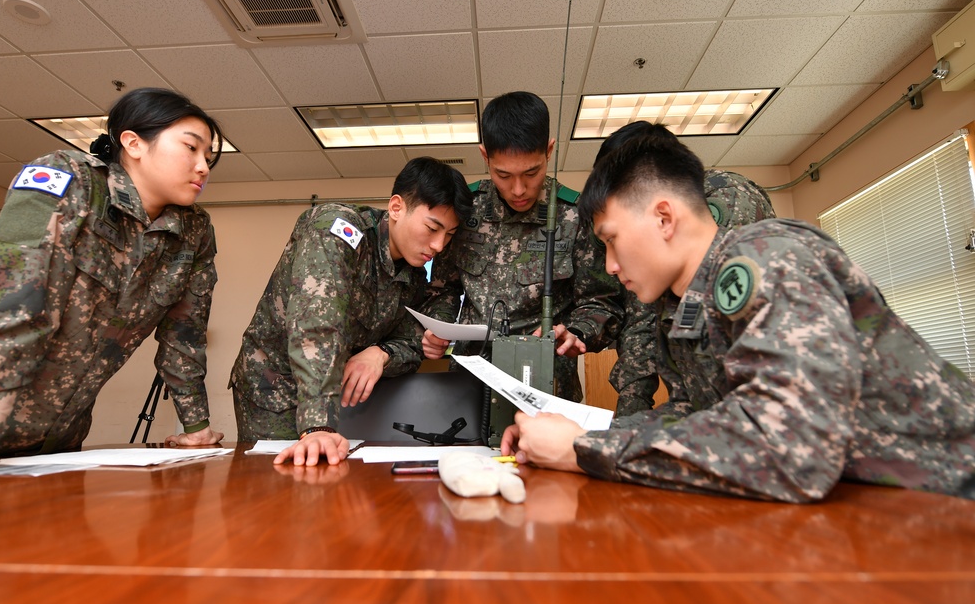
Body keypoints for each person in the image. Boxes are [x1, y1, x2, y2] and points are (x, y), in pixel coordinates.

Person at [501, 133, 975, 502]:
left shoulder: (770, 259)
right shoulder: (682, 305)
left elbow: (793, 453)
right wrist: (578, 435)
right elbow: (698, 416)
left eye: (611, 239)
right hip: (867, 507)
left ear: (664, 219)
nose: (609, 265)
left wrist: (584, 452)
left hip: (944, 501)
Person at [0, 87, 226, 464]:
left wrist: (196, 427)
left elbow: (185, 337)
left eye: (209, 156)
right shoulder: (69, 178)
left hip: (58, 442)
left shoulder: (194, 231)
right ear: (133, 143)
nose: (204, 166)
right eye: (191, 148)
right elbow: (8, 306)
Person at [230, 157, 473, 467]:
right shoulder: (337, 230)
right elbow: (318, 325)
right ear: (396, 207)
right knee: (273, 492)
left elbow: (413, 338)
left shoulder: (412, 276)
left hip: (334, 397)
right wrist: (318, 425)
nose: (439, 245)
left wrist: (381, 352)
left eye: (449, 235)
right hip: (274, 389)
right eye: (432, 228)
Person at [422, 91, 621, 402]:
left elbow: (602, 302)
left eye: (532, 173)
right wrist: (441, 326)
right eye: (503, 175)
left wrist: (577, 332)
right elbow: (441, 289)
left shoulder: (576, 215)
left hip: (546, 385)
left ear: (549, 151)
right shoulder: (464, 209)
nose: (518, 189)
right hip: (469, 383)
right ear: (485, 156)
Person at [598, 122, 776, 416]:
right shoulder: (670, 300)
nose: (611, 266)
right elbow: (642, 320)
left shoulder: (731, 204)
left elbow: (762, 422)